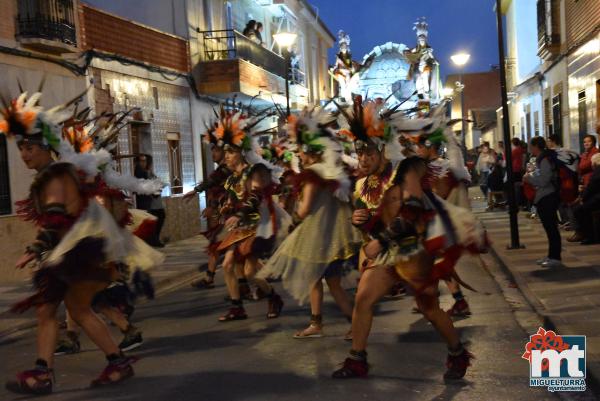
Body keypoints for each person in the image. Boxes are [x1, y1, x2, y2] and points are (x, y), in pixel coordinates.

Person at [1, 91, 162, 394]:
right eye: (21, 147)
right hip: (76, 254)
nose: (24, 153)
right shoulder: (54, 174)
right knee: (65, 310)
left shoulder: (56, 176)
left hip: (78, 256)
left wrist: (35, 249)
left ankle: (52, 372)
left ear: (47, 147)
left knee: (64, 309)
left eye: (30, 147)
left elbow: (56, 219)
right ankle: (108, 362)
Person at [332, 157, 486, 380]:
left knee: (429, 309)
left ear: (381, 149)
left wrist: (380, 241)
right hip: (389, 251)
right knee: (363, 299)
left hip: (416, 253)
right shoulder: (367, 185)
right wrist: (362, 221)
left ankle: (457, 354)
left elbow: (410, 215)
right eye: (360, 151)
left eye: (368, 150)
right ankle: (357, 360)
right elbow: (382, 221)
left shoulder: (407, 168)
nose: (363, 158)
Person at [258, 109, 362, 339]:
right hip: (332, 237)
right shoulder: (329, 173)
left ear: (308, 151)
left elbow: (304, 210)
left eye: (299, 152)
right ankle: (339, 323)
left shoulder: (312, 175)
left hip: (319, 237)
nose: (298, 156)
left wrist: (293, 214)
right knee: (327, 283)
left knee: (320, 281)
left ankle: (343, 324)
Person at [183, 129, 231, 289]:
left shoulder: (226, 170)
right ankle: (210, 278)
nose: (213, 154)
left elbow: (215, 184)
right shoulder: (222, 170)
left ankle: (254, 282)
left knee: (234, 250)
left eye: (216, 151)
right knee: (217, 246)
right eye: (212, 151)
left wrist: (196, 191)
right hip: (223, 213)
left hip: (232, 214)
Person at [524, 136, 562, 268]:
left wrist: (529, 179)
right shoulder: (542, 159)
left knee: (551, 228)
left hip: (548, 197)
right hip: (544, 196)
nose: (529, 148)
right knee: (549, 228)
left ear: (536, 146)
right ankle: (551, 255)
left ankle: (555, 257)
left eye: (530, 146)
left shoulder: (545, 159)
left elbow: (544, 181)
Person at [134, 155, 165, 247]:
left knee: (160, 217)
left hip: (154, 199)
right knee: (154, 219)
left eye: (145, 161)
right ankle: (153, 240)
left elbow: (155, 181)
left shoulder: (147, 171)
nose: (144, 163)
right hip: (148, 200)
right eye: (141, 161)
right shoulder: (139, 172)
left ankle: (155, 239)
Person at [571, 153, 600, 245]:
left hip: (598, 198)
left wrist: (582, 198)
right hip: (596, 196)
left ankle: (588, 236)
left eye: (592, 162)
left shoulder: (597, 171)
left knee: (579, 209)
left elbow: (592, 188)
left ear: (594, 163)